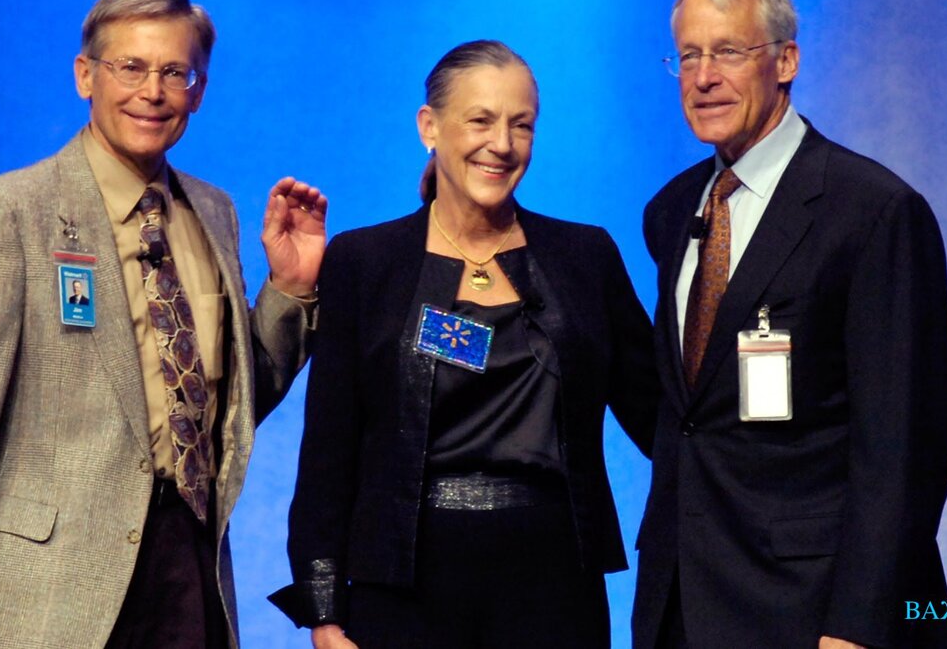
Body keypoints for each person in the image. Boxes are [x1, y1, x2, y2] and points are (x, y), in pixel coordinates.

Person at [0, 0, 326, 649]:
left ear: (199, 91)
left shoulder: (213, 213)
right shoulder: (7, 212)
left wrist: (291, 290)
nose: (152, 91)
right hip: (49, 595)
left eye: (175, 72)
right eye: (130, 67)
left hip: (189, 570)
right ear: (85, 76)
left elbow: (224, 406)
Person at [268, 40, 658, 649]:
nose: (501, 144)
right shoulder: (364, 261)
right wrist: (323, 611)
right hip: (403, 594)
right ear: (429, 126)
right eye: (480, 120)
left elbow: (666, 422)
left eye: (521, 125)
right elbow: (328, 452)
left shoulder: (586, 257)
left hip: (555, 589)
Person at [631, 0, 947, 648]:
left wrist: (858, 625)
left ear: (786, 61)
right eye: (688, 56)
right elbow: (689, 416)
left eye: (728, 51)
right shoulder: (671, 211)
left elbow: (903, 448)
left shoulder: (872, 211)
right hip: (682, 604)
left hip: (810, 607)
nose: (703, 77)